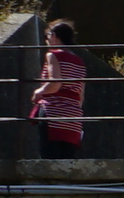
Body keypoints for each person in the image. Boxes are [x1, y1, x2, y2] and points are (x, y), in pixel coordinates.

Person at [31, 17, 89, 158]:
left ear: (55, 36)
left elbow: (55, 83)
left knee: (49, 160)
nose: (47, 40)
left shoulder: (53, 55)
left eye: (48, 36)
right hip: (73, 117)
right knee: (66, 162)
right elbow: (81, 95)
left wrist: (38, 92)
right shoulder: (79, 62)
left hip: (54, 113)